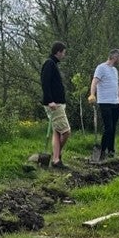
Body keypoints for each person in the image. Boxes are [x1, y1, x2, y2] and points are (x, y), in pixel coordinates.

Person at [87, 48, 119, 158]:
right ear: (115, 57)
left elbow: (117, 87)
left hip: (115, 102)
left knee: (113, 128)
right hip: (105, 102)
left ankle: (111, 151)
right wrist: (92, 94)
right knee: (108, 128)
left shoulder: (114, 70)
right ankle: (102, 150)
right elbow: (94, 82)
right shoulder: (101, 68)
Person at [40, 41, 71, 169]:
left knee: (57, 132)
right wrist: (50, 100)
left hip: (58, 103)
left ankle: (56, 159)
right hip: (54, 104)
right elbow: (45, 82)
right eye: (63, 52)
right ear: (58, 52)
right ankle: (56, 156)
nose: (64, 55)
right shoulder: (49, 63)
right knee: (66, 131)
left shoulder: (53, 64)